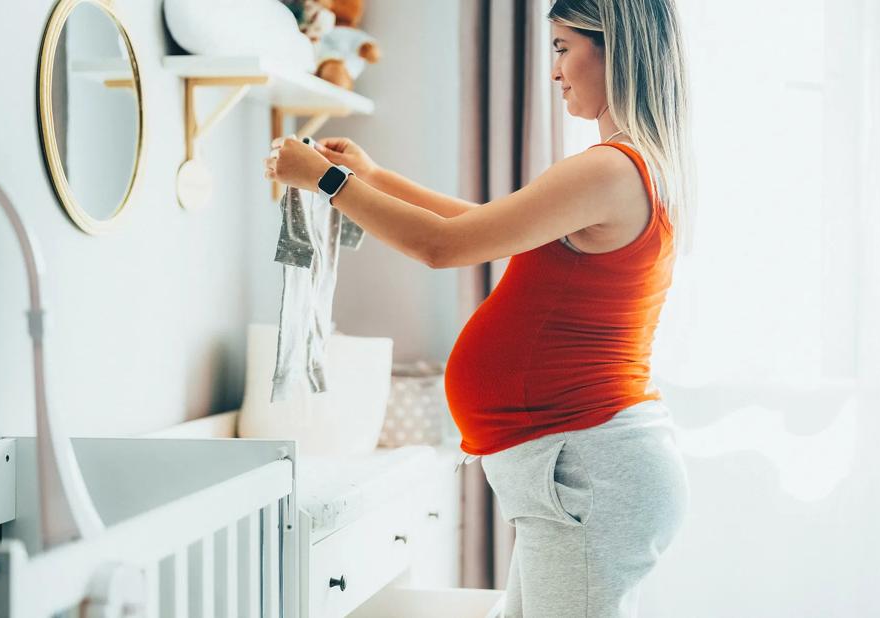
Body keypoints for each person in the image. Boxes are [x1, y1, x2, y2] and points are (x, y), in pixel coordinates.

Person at [265, 1, 693, 614]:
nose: (554, 72)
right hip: (582, 470)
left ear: (615, 49)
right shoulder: (631, 165)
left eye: (563, 48)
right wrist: (374, 178)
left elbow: (444, 248)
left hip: (587, 473)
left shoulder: (609, 169)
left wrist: (329, 183)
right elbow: (485, 227)